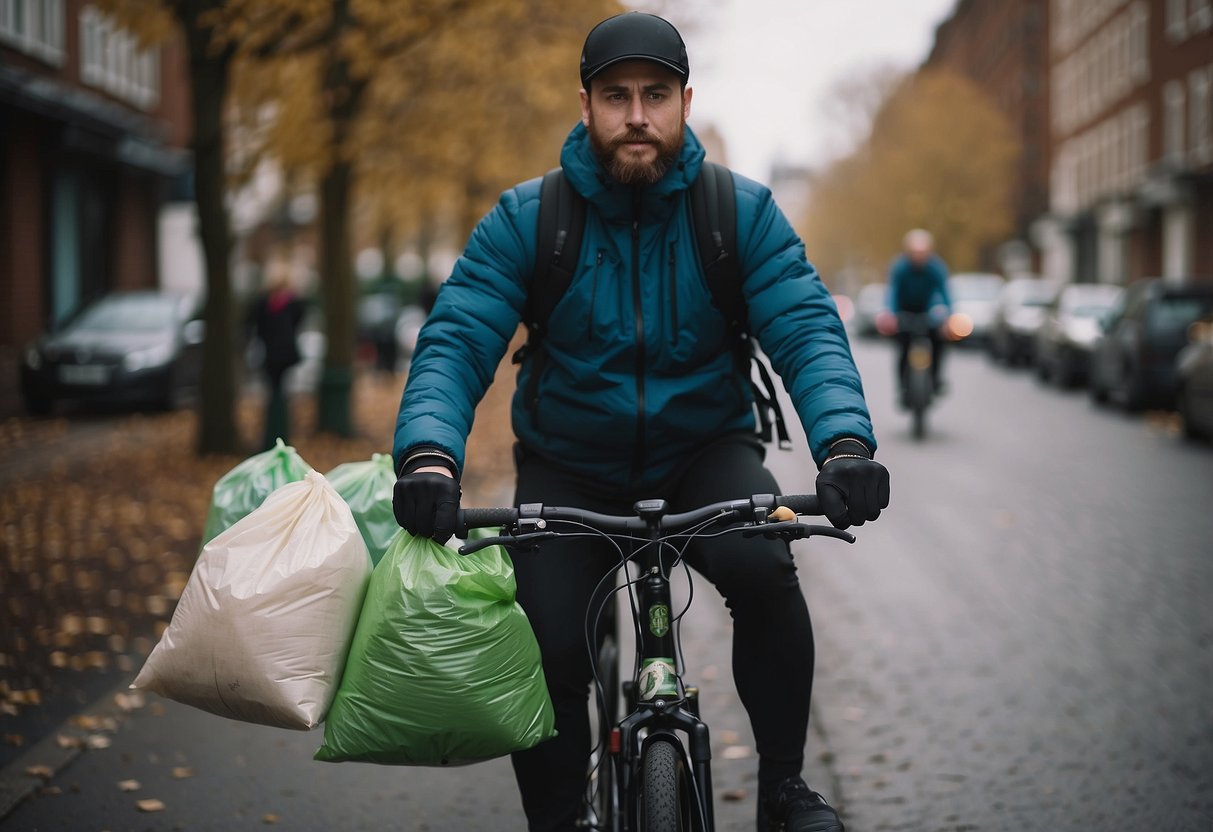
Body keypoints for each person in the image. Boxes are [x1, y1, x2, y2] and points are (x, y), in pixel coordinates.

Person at [392, 13, 888, 832]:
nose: (635, 115)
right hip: (568, 464)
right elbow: (456, 336)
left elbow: (804, 326)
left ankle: (783, 790)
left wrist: (843, 444)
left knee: (765, 573)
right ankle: (559, 818)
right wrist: (431, 458)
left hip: (705, 453)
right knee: (547, 640)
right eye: (615, 95)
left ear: (685, 102)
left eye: (654, 95)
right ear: (584, 104)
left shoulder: (739, 213)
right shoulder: (529, 217)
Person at [885, 229, 952, 398]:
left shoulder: (936, 268)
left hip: (926, 311)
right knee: (903, 347)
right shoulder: (900, 268)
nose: (919, 257)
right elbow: (892, 292)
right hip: (904, 311)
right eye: (915, 253)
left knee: (939, 342)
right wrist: (891, 314)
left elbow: (945, 293)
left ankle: (936, 378)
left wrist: (948, 316)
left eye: (923, 253)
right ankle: (902, 386)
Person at [247, 268, 305, 450]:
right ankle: (276, 431)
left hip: (276, 355)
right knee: (278, 393)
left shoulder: (273, 303)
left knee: (276, 393)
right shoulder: (282, 304)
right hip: (278, 355)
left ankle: (277, 431)